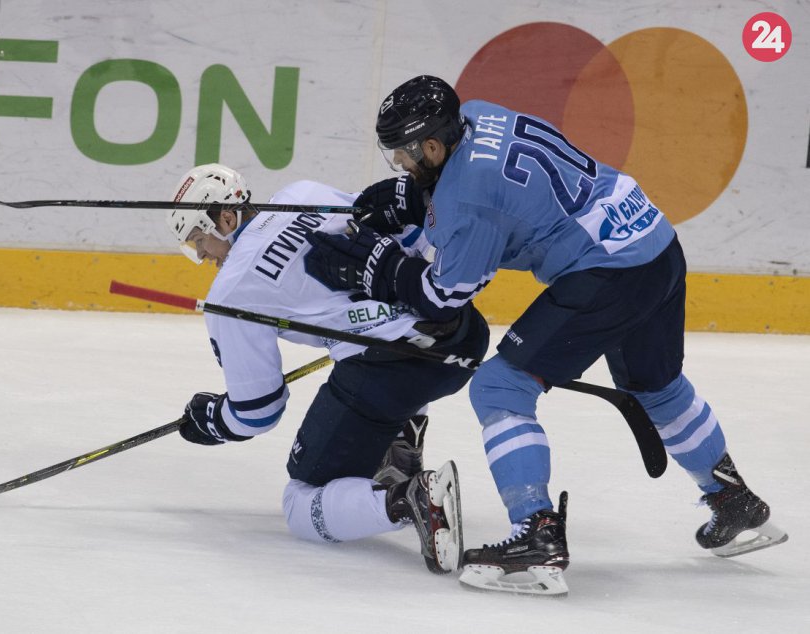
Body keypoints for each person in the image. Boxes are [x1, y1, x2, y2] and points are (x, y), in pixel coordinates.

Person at [304, 75, 787, 595]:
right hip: (653, 240)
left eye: (403, 153)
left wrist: (375, 268)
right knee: (658, 386)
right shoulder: (480, 112)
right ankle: (732, 500)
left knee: (500, 387)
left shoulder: (468, 201)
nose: (399, 162)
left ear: (432, 144)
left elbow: (442, 295)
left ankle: (536, 536)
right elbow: (499, 191)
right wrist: (411, 198)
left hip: (607, 272)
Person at [166, 163, 490, 574]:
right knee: (372, 368)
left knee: (300, 500)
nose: (200, 254)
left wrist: (212, 420)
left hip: (391, 373)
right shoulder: (299, 193)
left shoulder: (230, 292)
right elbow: (403, 233)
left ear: (226, 219)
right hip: (462, 335)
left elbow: (257, 412)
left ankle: (411, 498)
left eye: (198, 240)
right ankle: (400, 448)